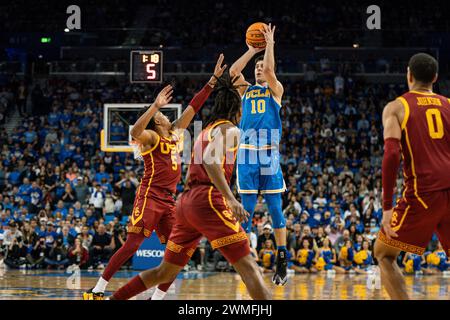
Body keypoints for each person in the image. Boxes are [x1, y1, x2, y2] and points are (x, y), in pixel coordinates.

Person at [110, 72, 271, 300]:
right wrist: (232, 199)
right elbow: (209, 160)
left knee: (164, 271)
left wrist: (213, 82)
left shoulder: (205, 130)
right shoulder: (231, 130)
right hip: (206, 199)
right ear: (238, 110)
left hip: (185, 203)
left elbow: (197, 125)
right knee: (249, 267)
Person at [84, 54, 227, 300]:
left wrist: (212, 81)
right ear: (154, 120)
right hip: (150, 196)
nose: (166, 116)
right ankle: (97, 290)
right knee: (132, 244)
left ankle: (157, 298)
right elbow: (134, 130)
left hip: (169, 200)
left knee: (179, 251)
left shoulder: (174, 134)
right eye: (161, 116)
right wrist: (155, 106)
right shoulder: (151, 138)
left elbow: (194, 106)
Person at [374, 53, 450, 300]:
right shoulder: (449, 104)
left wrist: (387, 207)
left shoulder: (397, 107)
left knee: (384, 254)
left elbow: (391, 155)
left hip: (423, 193)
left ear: (408, 75)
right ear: (435, 78)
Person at [230, 23, 288, 286]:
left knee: (276, 211)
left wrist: (270, 46)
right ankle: (243, 260)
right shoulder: (247, 91)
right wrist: (252, 51)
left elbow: (270, 70)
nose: (259, 70)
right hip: (247, 157)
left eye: (261, 67)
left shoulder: (276, 90)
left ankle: (282, 258)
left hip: (268, 155)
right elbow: (233, 71)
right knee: (248, 210)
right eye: (256, 69)